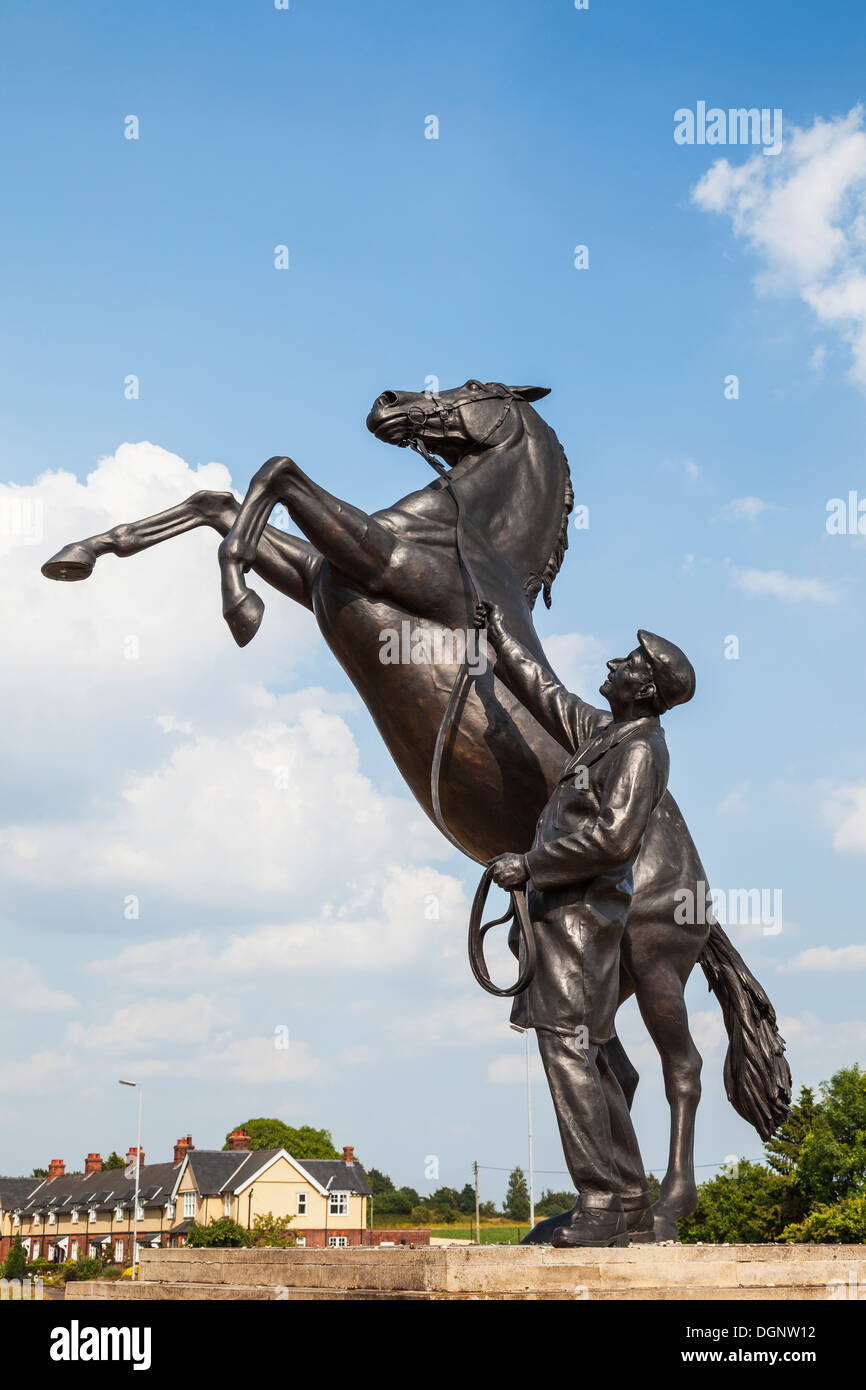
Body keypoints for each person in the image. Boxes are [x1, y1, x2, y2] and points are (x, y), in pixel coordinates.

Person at [478, 601, 695, 1247]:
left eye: (629, 662)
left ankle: (598, 1204)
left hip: (580, 922)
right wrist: (498, 634)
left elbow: (614, 839)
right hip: (566, 918)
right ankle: (628, 1203)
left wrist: (532, 863)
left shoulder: (641, 750)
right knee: (593, 1055)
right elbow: (546, 692)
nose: (613, 663)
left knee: (569, 1051)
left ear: (647, 688)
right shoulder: (606, 732)